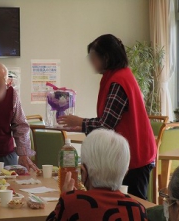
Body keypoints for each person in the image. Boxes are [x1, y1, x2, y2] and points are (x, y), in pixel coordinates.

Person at [57, 34, 156, 199]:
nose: (91, 62)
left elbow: (107, 124)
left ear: (107, 58)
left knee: (134, 205)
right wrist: (81, 125)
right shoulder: (118, 76)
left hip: (135, 154)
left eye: (94, 57)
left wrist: (80, 122)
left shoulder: (118, 81)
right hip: (130, 152)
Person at [47, 129, 148, 221]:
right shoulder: (137, 209)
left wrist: (63, 199)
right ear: (125, 172)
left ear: (84, 172)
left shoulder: (72, 203)